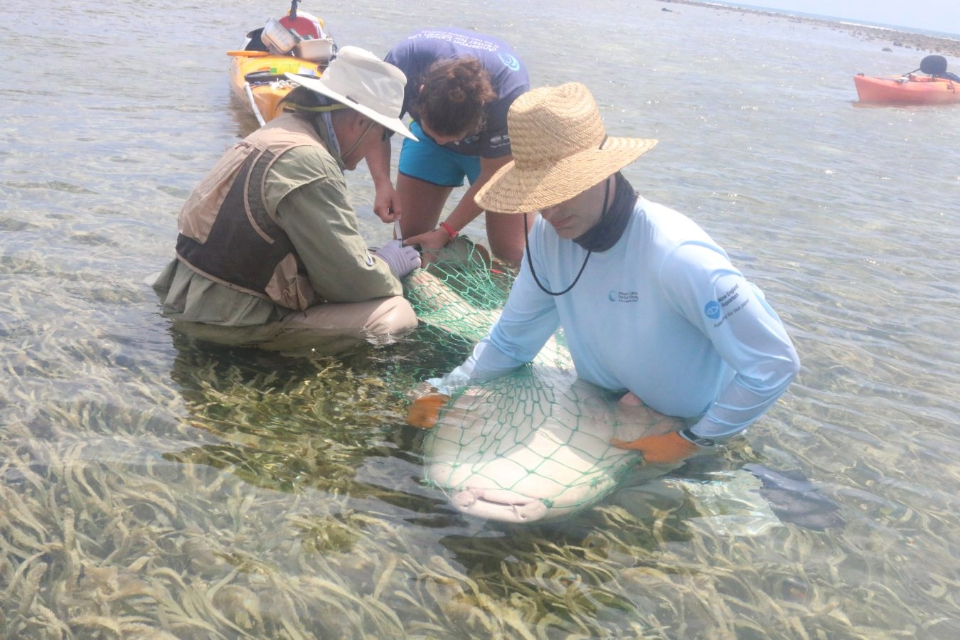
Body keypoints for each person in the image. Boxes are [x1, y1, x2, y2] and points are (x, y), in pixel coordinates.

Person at [416, 82, 801, 464]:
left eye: (562, 188)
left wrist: (694, 441)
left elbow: (773, 363)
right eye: (538, 194)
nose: (548, 212)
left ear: (602, 171)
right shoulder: (548, 241)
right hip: (605, 410)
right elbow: (511, 342)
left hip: (700, 426)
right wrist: (446, 389)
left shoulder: (677, 255)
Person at [153, 47, 423, 352]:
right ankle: (282, 367)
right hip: (230, 322)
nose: (381, 144)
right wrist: (387, 266)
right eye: (384, 134)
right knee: (395, 315)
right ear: (360, 123)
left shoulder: (280, 129)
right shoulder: (313, 163)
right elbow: (351, 284)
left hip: (186, 296)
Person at [365, 29, 534, 266]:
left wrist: (447, 231)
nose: (443, 141)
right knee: (410, 244)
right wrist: (382, 182)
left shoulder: (508, 93)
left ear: (480, 115)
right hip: (427, 148)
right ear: (419, 92)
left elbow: (494, 174)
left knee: (514, 254)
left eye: (451, 137)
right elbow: (375, 125)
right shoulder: (406, 61)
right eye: (435, 133)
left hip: (495, 156)